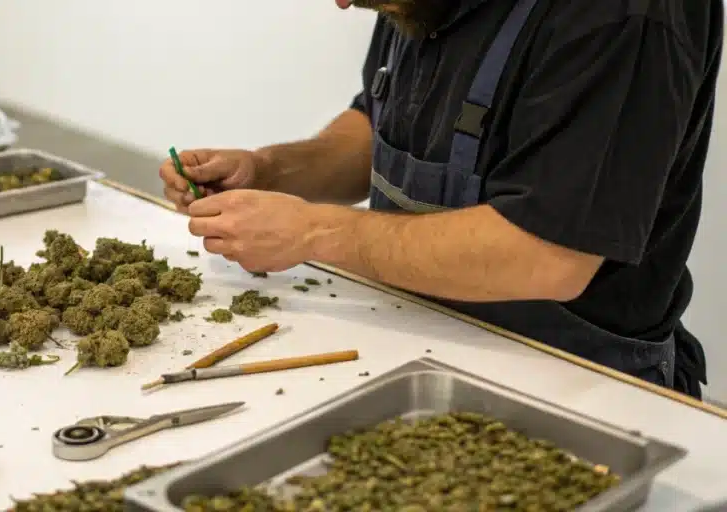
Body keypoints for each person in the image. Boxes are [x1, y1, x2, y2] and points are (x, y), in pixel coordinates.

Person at [158, 0, 723, 398]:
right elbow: (378, 132)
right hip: (417, 346)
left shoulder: (624, 15)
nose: (340, 3)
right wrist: (270, 170)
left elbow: (549, 257)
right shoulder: (423, 2)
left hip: (576, 386)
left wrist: (312, 233)